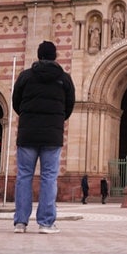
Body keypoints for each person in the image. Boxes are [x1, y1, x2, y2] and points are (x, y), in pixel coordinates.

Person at [12, 40, 75, 234]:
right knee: (49, 177)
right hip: (52, 136)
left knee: (24, 176)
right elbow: (69, 106)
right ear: (55, 56)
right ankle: (46, 223)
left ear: (38, 56)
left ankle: (20, 223)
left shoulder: (25, 76)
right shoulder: (64, 79)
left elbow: (16, 103)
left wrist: (28, 117)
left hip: (27, 134)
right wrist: (56, 121)